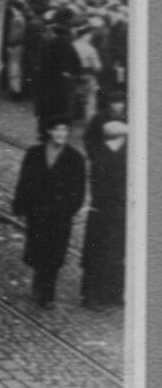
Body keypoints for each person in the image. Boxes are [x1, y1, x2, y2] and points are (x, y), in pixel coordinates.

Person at [12, 116, 87, 309]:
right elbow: (25, 181)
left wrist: (69, 210)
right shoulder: (34, 153)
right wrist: (20, 206)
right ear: (49, 132)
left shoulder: (75, 158)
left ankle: (47, 295)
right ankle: (38, 286)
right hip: (37, 213)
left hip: (59, 216)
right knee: (38, 251)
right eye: (57, 130)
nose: (61, 134)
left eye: (64, 130)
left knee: (54, 255)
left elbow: (79, 190)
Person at [80, 119, 128, 308]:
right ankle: (92, 296)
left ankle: (111, 293)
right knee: (99, 257)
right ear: (119, 138)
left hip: (112, 214)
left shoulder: (113, 155)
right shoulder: (104, 158)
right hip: (106, 214)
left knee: (115, 256)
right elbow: (107, 190)